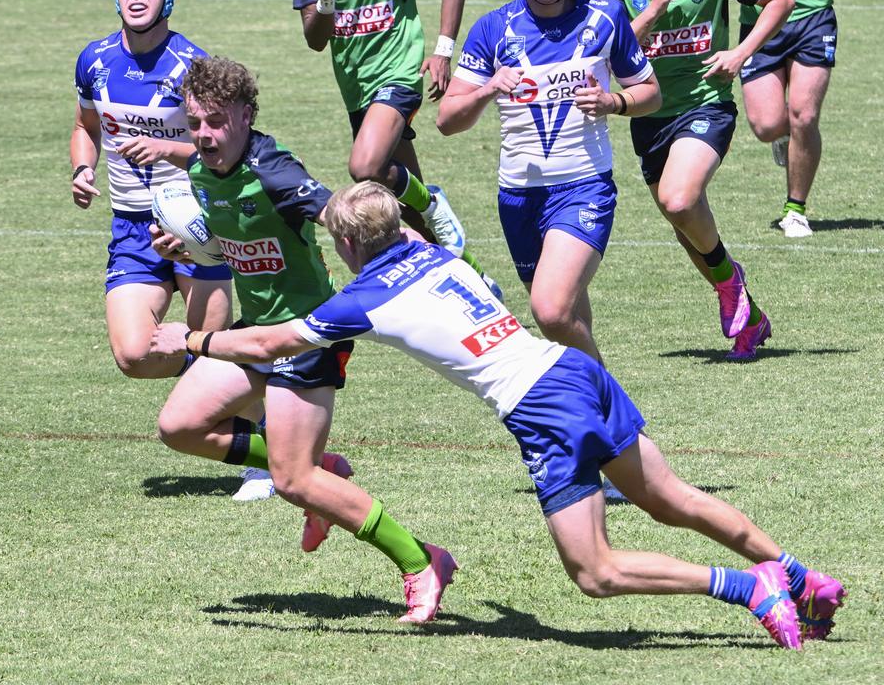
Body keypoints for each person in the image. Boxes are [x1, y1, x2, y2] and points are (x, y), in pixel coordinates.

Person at [153, 180, 847, 645]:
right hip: (574, 371)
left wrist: (190, 340)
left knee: (596, 573)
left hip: (541, 407)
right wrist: (410, 188)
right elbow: (427, 219)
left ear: (346, 246)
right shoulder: (438, 253)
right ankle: (797, 573)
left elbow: (273, 342)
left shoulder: (361, 299)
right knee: (674, 500)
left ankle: (747, 588)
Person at [148, 57, 458, 624]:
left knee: (292, 480)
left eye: (216, 121)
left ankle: (422, 561)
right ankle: (324, 471)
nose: (204, 134)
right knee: (181, 427)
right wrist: (188, 250)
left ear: (245, 115)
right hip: (256, 329)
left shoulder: (275, 172)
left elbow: (338, 213)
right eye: (194, 123)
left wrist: (411, 239)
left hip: (306, 336)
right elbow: (234, 245)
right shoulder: (201, 173)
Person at [69, 0, 271, 501]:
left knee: (217, 348)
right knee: (134, 357)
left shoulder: (190, 65)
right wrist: (84, 167)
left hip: (195, 221)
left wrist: (167, 149)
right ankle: (230, 355)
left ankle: (267, 454)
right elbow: (86, 126)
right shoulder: (95, 59)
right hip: (132, 228)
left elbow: (225, 148)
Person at [437, 0, 661, 363]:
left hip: (583, 187)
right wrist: (488, 89)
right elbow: (446, 120)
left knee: (550, 310)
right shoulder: (494, 29)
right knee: (566, 321)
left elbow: (651, 94)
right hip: (517, 197)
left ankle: (611, 405)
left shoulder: (604, 17)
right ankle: (593, 416)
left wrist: (613, 101)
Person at [600, 0, 794, 360]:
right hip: (647, 114)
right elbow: (611, 50)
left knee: (678, 201)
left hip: (706, 106)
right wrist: (651, 11)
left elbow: (780, 0)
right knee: (687, 227)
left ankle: (730, 284)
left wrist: (741, 54)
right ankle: (750, 318)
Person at [292, 0, 500, 297]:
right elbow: (315, 40)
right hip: (357, 92)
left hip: (398, 76)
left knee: (365, 167)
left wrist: (442, 53)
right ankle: (475, 279)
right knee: (411, 217)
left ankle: (435, 202)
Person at [717, 0, 881, 237]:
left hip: (813, 20)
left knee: (804, 117)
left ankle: (795, 210)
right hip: (761, 19)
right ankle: (783, 138)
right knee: (766, 126)